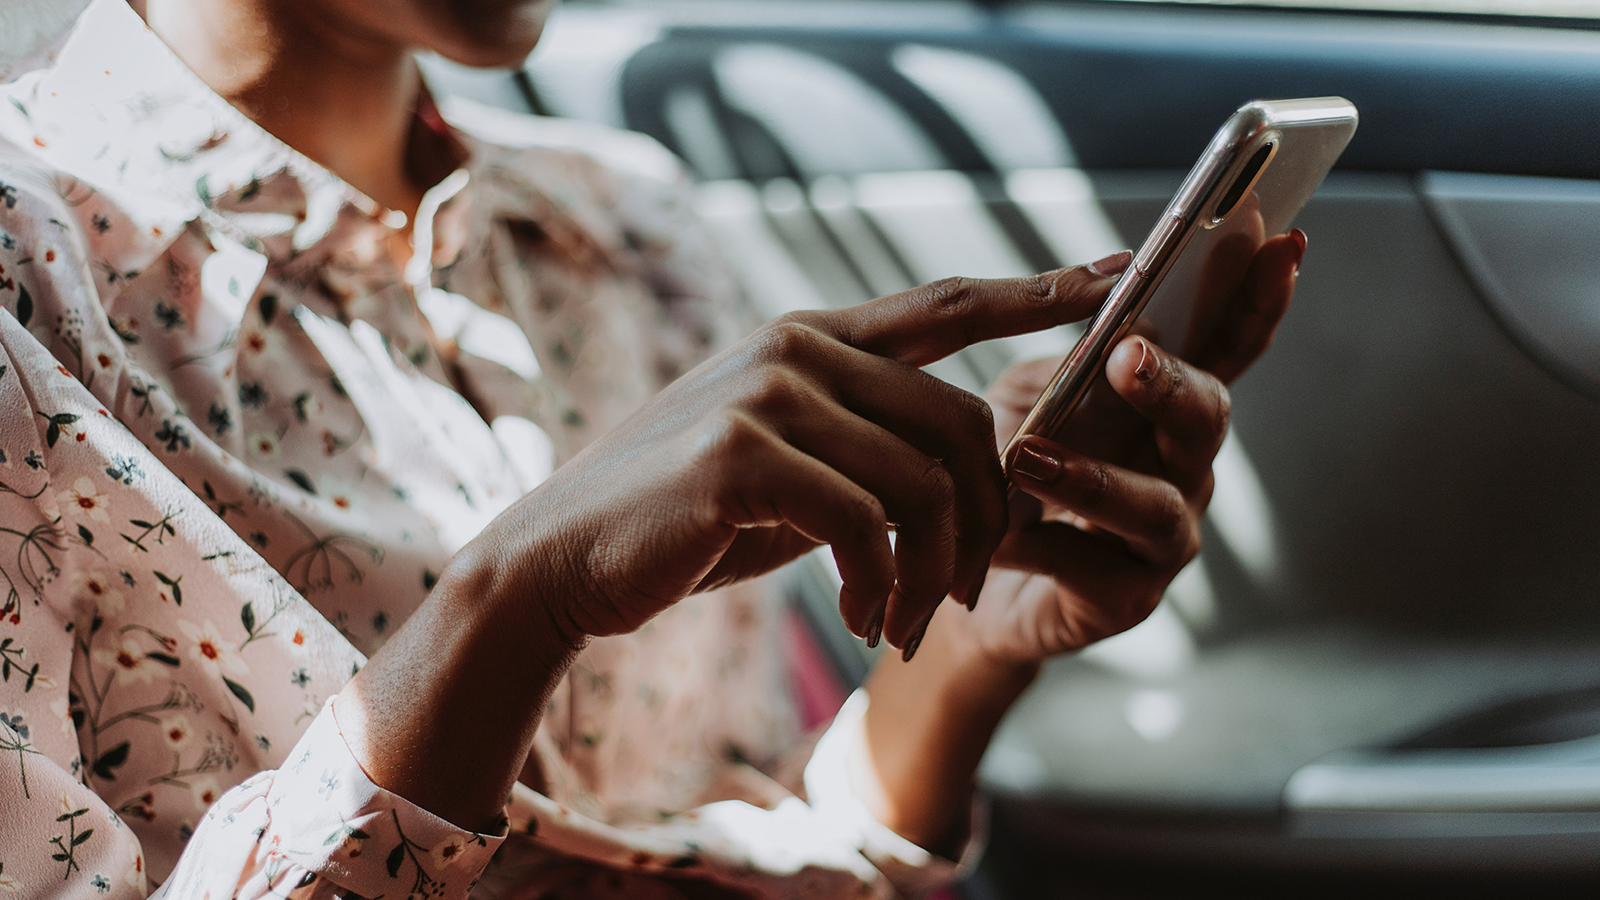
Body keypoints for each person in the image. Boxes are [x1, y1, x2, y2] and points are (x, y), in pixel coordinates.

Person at [0, 0, 1305, 896]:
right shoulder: (32, 286)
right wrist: (518, 603)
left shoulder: (630, 225)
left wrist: (969, 650)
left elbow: (752, 841)